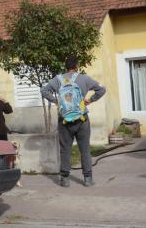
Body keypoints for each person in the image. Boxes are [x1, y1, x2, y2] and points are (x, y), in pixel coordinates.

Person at [41, 57, 106, 187]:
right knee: (85, 149)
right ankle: (87, 179)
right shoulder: (84, 79)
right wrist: (90, 100)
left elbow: (44, 91)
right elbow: (101, 90)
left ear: (66, 67)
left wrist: (56, 101)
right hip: (82, 119)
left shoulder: (57, 80)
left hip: (64, 120)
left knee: (65, 149)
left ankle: (65, 179)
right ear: (77, 66)